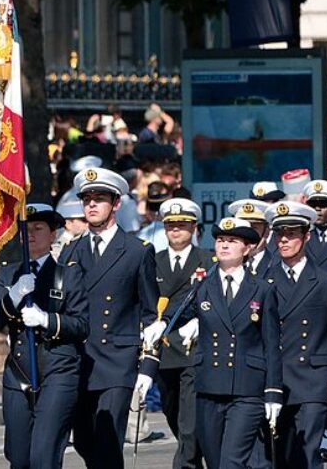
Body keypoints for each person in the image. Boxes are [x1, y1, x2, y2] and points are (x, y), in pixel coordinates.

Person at [58, 167, 160, 469]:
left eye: (99, 199)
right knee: (85, 440)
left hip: (117, 360)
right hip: (79, 360)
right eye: (86, 199)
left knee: (108, 440)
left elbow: (151, 313)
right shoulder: (71, 251)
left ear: (116, 204)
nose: (91, 205)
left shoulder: (136, 251)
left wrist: (148, 366)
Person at [164, 216, 283, 469]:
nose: (224, 245)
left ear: (247, 248)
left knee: (232, 461)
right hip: (209, 386)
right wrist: (160, 324)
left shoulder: (261, 289)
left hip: (247, 387)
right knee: (216, 462)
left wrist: (273, 392)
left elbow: (271, 344)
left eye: (232, 240)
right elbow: (178, 311)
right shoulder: (203, 286)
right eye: (220, 240)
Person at [0, 204, 89, 469]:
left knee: (43, 457)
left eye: (38, 228)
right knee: (19, 457)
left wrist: (47, 320)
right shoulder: (8, 273)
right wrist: (14, 295)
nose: (31, 234)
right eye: (26, 229)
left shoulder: (68, 274)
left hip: (58, 368)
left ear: (53, 234)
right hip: (19, 371)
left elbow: (81, 324)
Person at [263, 201, 327, 467]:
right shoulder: (263, 281)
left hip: (313, 377)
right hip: (276, 379)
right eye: (279, 234)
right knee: (279, 455)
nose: (283, 240)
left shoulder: (326, 281)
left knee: (308, 453)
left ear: (307, 236)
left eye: (291, 234)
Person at [152, 198, 214, 469]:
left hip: (194, 349)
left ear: (194, 228)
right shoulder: (153, 261)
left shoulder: (208, 260)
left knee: (189, 419)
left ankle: (186, 464)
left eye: (182, 225)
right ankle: (193, 455)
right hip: (162, 348)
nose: (176, 230)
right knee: (172, 411)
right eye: (170, 226)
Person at [228, 199, 273, 277]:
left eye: (254, 228)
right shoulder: (223, 265)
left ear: (267, 231)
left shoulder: (278, 264)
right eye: (244, 228)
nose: (248, 234)